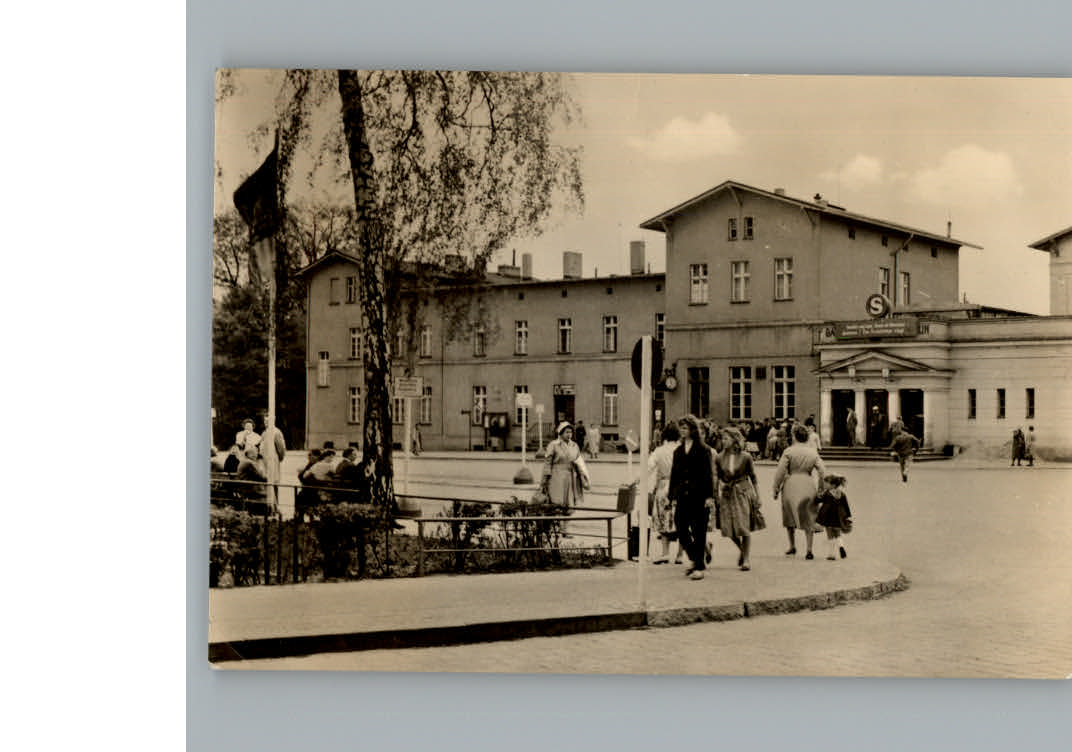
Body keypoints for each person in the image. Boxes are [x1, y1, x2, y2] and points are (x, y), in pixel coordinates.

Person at [668, 415, 714, 580]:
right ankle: (695, 557)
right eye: (681, 428)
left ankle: (698, 567)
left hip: (699, 495)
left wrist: (709, 496)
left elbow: (708, 474)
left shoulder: (703, 449)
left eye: (685, 428)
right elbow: (674, 474)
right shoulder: (678, 451)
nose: (682, 430)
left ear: (693, 430)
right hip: (682, 495)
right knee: (680, 525)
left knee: (698, 530)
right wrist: (671, 495)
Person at [772, 423, 828, 560]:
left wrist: (776, 488)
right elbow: (822, 470)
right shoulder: (812, 452)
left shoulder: (789, 451)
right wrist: (821, 488)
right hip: (808, 483)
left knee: (789, 513)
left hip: (791, 483)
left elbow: (780, 472)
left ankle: (792, 546)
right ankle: (809, 549)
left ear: (794, 436)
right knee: (809, 516)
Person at [713, 426, 763, 571]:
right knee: (727, 527)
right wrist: (715, 493)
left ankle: (746, 559)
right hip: (727, 494)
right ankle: (742, 549)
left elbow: (753, 478)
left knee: (743, 526)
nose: (724, 441)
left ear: (735, 440)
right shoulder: (719, 457)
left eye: (726, 438)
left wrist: (758, 496)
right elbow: (716, 477)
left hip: (742, 492)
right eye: (722, 438)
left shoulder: (746, 457)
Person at [647, 423, 681, 564]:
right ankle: (680, 555)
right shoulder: (682, 449)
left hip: (662, 488)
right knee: (680, 521)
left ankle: (665, 553)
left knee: (663, 520)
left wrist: (636, 481)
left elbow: (648, 467)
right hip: (679, 488)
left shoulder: (659, 451)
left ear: (664, 435)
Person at [542, 422, 586, 506]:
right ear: (561, 433)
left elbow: (578, 462)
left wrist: (582, 476)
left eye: (571, 432)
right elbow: (547, 463)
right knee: (557, 501)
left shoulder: (574, 445)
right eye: (567, 432)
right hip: (556, 476)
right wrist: (544, 480)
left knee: (569, 502)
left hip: (570, 476)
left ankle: (566, 518)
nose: (569, 434)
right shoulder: (553, 445)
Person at [815, 474, 852, 560]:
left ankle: (831, 554)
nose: (824, 485)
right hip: (838, 517)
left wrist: (817, 496)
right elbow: (846, 506)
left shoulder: (827, 494)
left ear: (832, 485)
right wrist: (848, 516)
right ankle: (841, 546)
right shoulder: (842, 494)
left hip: (828, 516)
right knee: (838, 534)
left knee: (830, 535)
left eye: (826, 483)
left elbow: (818, 500)